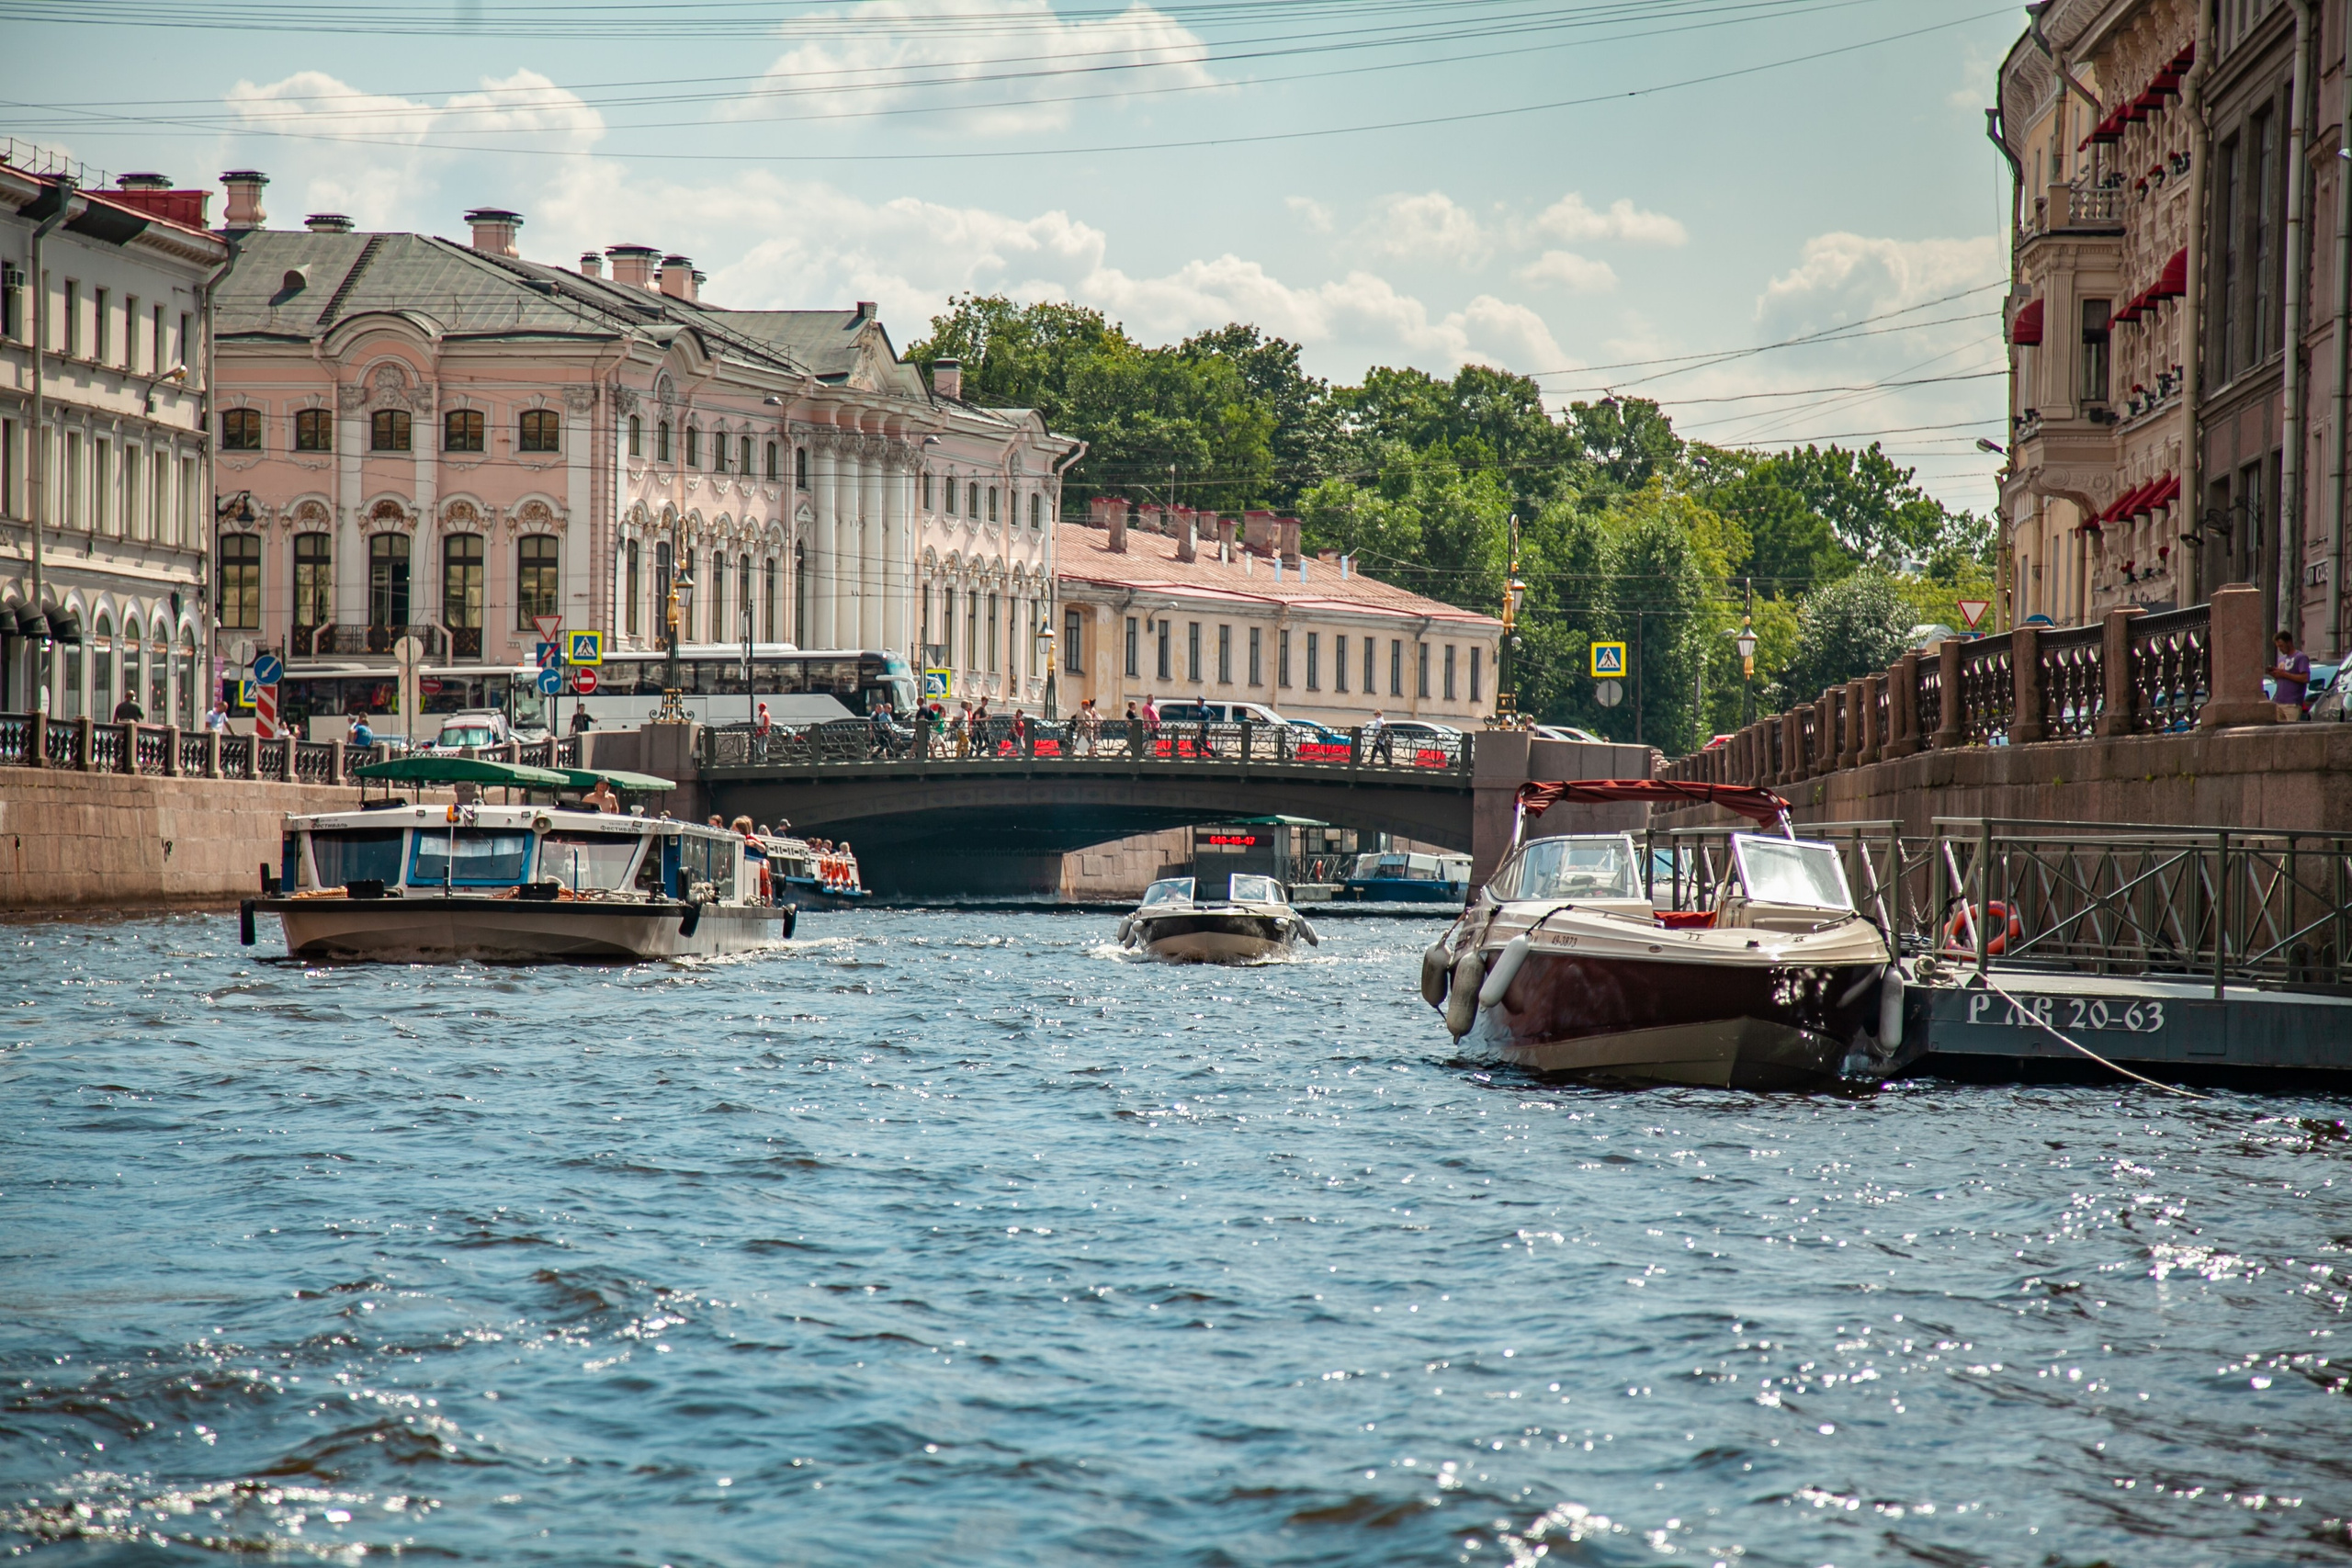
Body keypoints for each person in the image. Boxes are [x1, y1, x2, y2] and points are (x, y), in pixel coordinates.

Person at [2269, 630, 2312, 722]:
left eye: (2281, 646)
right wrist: (2275, 675)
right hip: (2278, 702)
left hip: (2292, 703)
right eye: (2278, 647)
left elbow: (2305, 678)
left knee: (2291, 730)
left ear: (2289, 642)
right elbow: (2283, 679)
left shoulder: (2301, 657)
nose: (2280, 649)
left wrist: (2284, 674)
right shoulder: (2281, 659)